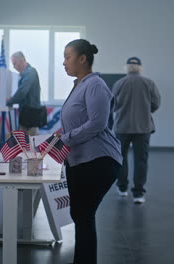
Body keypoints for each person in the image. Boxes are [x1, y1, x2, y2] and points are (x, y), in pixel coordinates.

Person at [60, 39, 122, 264]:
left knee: (83, 215)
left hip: (99, 160)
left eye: (67, 57)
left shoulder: (95, 85)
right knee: (81, 215)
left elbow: (97, 123)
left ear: (82, 59)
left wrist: (66, 138)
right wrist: (60, 135)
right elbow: (76, 121)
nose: (64, 62)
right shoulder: (80, 85)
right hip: (80, 161)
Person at [112, 57, 161, 204]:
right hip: (143, 127)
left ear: (126, 67)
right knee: (141, 160)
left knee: (121, 158)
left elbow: (112, 104)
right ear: (140, 68)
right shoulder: (149, 83)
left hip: (122, 127)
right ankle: (138, 194)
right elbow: (156, 103)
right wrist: (146, 111)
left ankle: (122, 188)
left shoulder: (119, 84)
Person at [6, 51, 41, 136]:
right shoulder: (24, 74)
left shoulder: (30, 72)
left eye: (15, 63)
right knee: (26, 141)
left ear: (22, 60)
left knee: (30, 141)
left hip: (30, 113)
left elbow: (22, 92)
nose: (14, 67)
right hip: (26, 112)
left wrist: (9, 101)